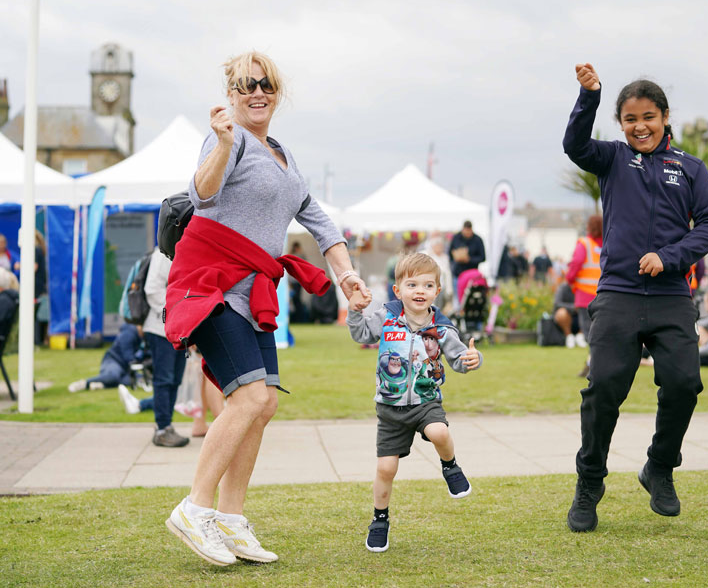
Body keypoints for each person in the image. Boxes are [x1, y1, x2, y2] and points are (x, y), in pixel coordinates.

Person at [163, 50, 370, 566]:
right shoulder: (224, 138)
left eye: (266, 85)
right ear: (231, 93)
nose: (257, 92)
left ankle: (231, 521)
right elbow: (202, 195)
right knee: (250, 398)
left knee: (265, 404)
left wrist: (346, 276)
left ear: (277, 93)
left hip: (252, 289)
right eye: (246, 85)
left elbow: (320, 222)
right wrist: (226, 141)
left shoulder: (281, 152)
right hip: (211, 282)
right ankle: (194, 508)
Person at [563, 63, 708, 532]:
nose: (640, 126)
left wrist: (670, 257)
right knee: (603, 390)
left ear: (665, 116)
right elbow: (574, 146)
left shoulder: (690, 167)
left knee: (683, 384)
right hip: (618, 293)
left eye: (649, 117)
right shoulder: (612, 158)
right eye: (630, 119)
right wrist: (589, 96)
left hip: (672, 295)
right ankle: (589, 483)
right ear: (621, 124)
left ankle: (659, 467)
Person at [346, 253, 482, 553]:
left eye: (427, 285)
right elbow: (360, 333)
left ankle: (450, 467)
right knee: (386, 469)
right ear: (398, 291)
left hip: (426, 401)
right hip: (391, 408)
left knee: (440, 433)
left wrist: (472, 358)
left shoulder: (443, 328)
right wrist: (355, 311)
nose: (419, 291)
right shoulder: (386, 317)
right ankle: (380, 519)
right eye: (412, 284)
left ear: (437, 290)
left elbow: (459, 360)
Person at [144, 248, 190, 449]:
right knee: (164, 379)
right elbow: (152, 290)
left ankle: (166, 426)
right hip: (160, 328)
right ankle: (162, 428)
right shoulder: (163, 253)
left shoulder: (185, 249)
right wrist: (177, 309)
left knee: (174, 380)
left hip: (178, 328)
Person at [68, 323, 145, 392]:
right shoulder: (129, 333)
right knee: (113, 377)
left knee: (135, 379)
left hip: (126, 368)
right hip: (113, 361)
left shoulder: (142, 337)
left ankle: (101, 384)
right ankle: (84, 383)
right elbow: (128, 355)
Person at [565, 214, 603, 350]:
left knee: (589, 333)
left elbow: (576, 262)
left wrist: (569, 278)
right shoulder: (608, 245)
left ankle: (593, 364)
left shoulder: (584, 243)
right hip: (604, 294)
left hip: (585, 294)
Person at [448, 221, 485, 298]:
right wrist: (456, 259)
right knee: (458, 298)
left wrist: (469, 260)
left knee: (471, 298)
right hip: (458, 273)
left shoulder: (478, 240)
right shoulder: (456, 238)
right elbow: (450, 253)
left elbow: (482, 257)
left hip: (472, 275)